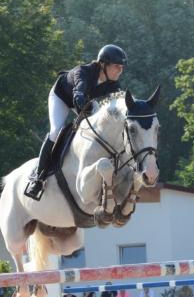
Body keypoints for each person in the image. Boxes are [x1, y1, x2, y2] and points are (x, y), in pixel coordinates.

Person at [25, 44, 127, 200]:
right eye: (116, 67)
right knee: (55, 131)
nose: (120, 71)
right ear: (103, 64)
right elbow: (79, 88)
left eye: (121, 67)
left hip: (84, 101)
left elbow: (119, 102)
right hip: (62, 97)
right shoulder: (83, 71)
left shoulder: (113, 84)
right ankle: (38, 177)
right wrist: (79, 97)